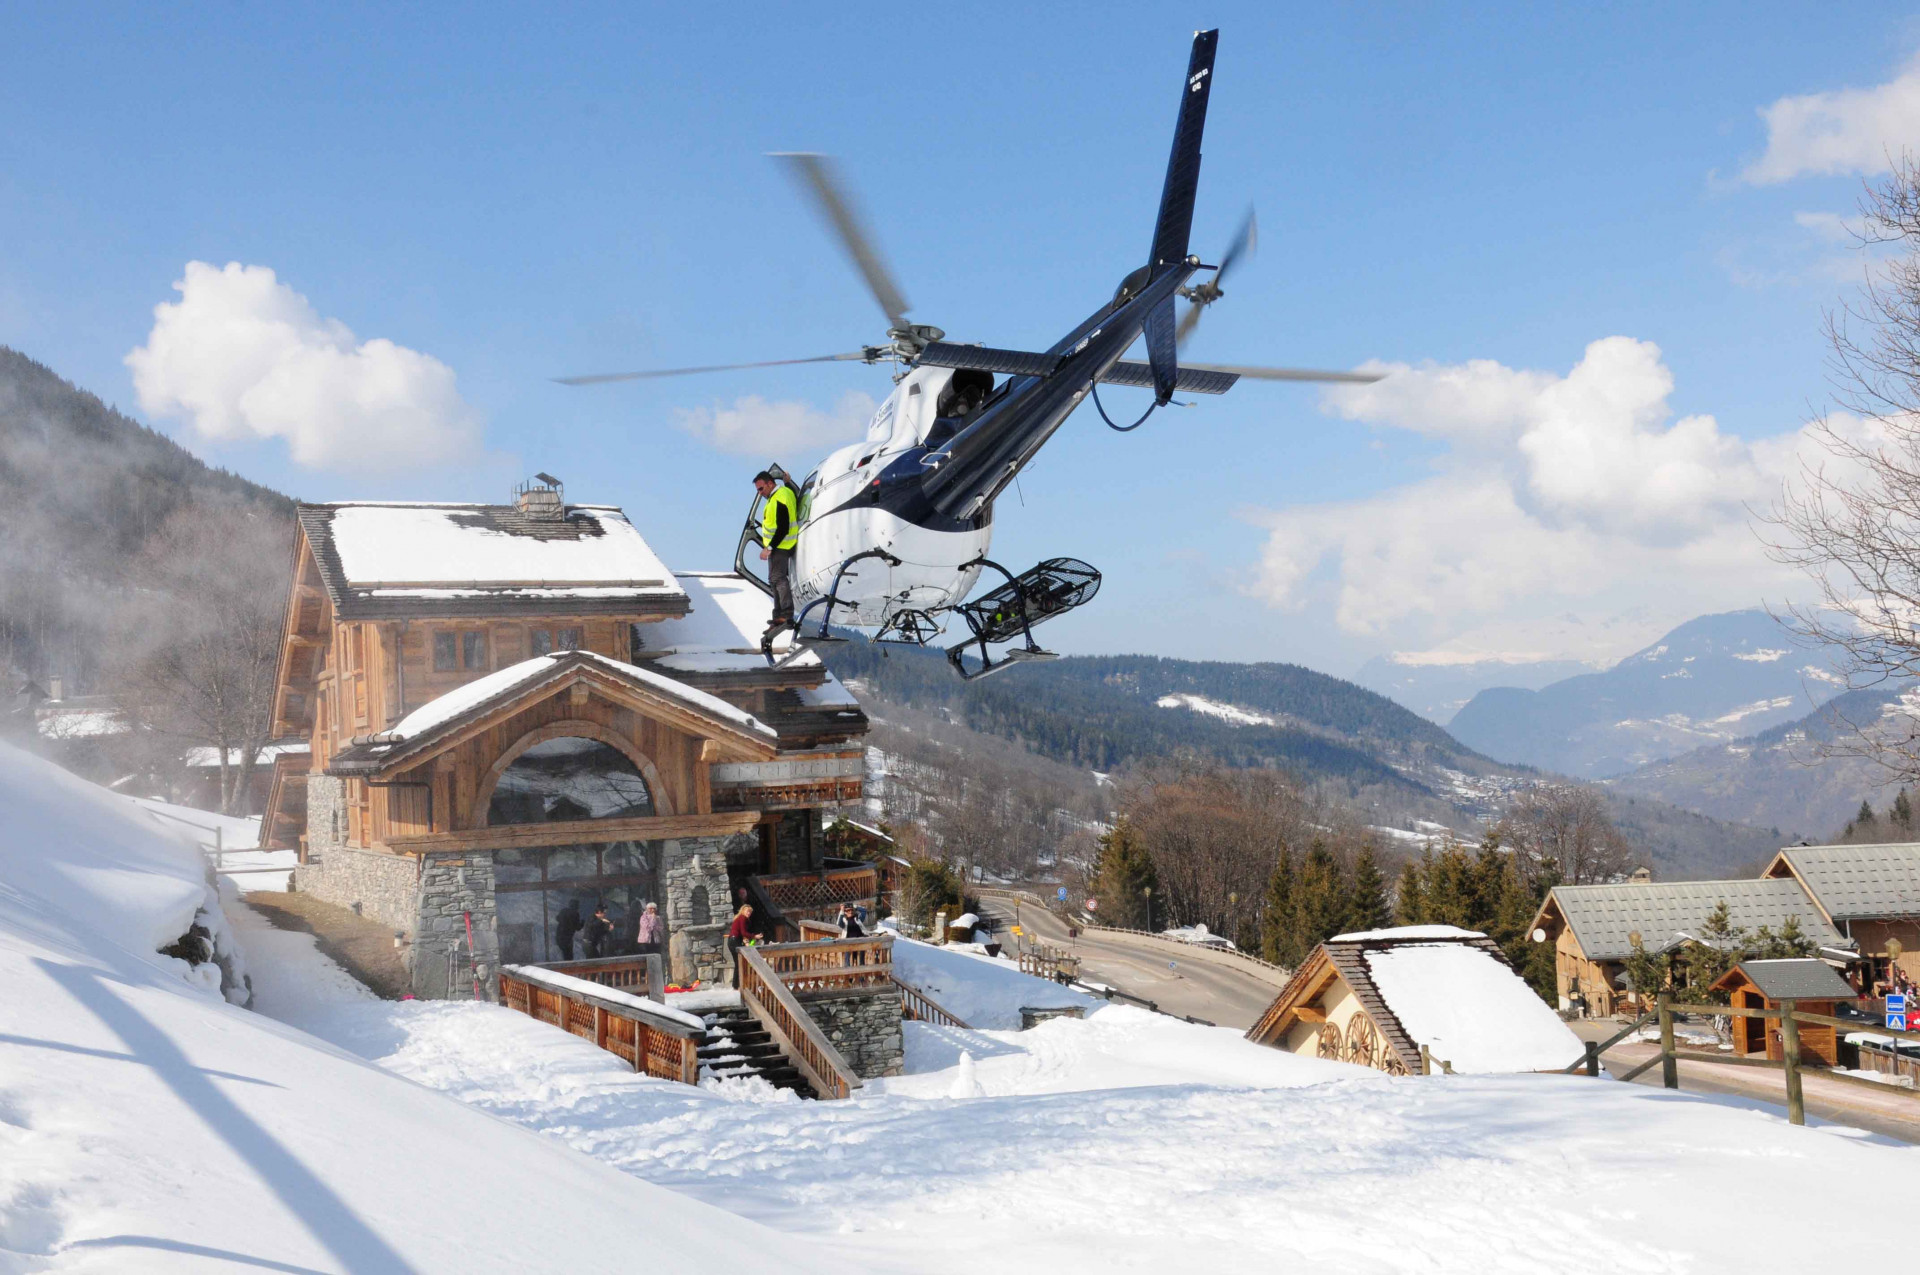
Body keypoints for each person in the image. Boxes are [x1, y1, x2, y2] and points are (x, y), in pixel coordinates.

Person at [753, 470, 799, 630]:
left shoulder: (779, 497)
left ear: (770, 483)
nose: (760, 493)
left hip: (781, 545)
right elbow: (795, 494)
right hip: (778, 546)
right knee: (773, 579)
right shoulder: (783, 493)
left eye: (761, 489)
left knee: (778, 579)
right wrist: (788, 481)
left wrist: (769, 547)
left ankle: (786, 614)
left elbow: (783, 527)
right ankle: (778, 616)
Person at [726, 903, 756, 984]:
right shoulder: (742, 917)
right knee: (740, 963)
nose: (748, 913)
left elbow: (741, 933)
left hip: (732, 941)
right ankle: (737, 985)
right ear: (742, 911)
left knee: (738, 964)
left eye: (750, 912)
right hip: (734, 940)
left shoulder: (739, 918)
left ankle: (736, 985)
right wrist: (754, 936)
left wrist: (745, 940)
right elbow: (743, 932)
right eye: (747, 911)